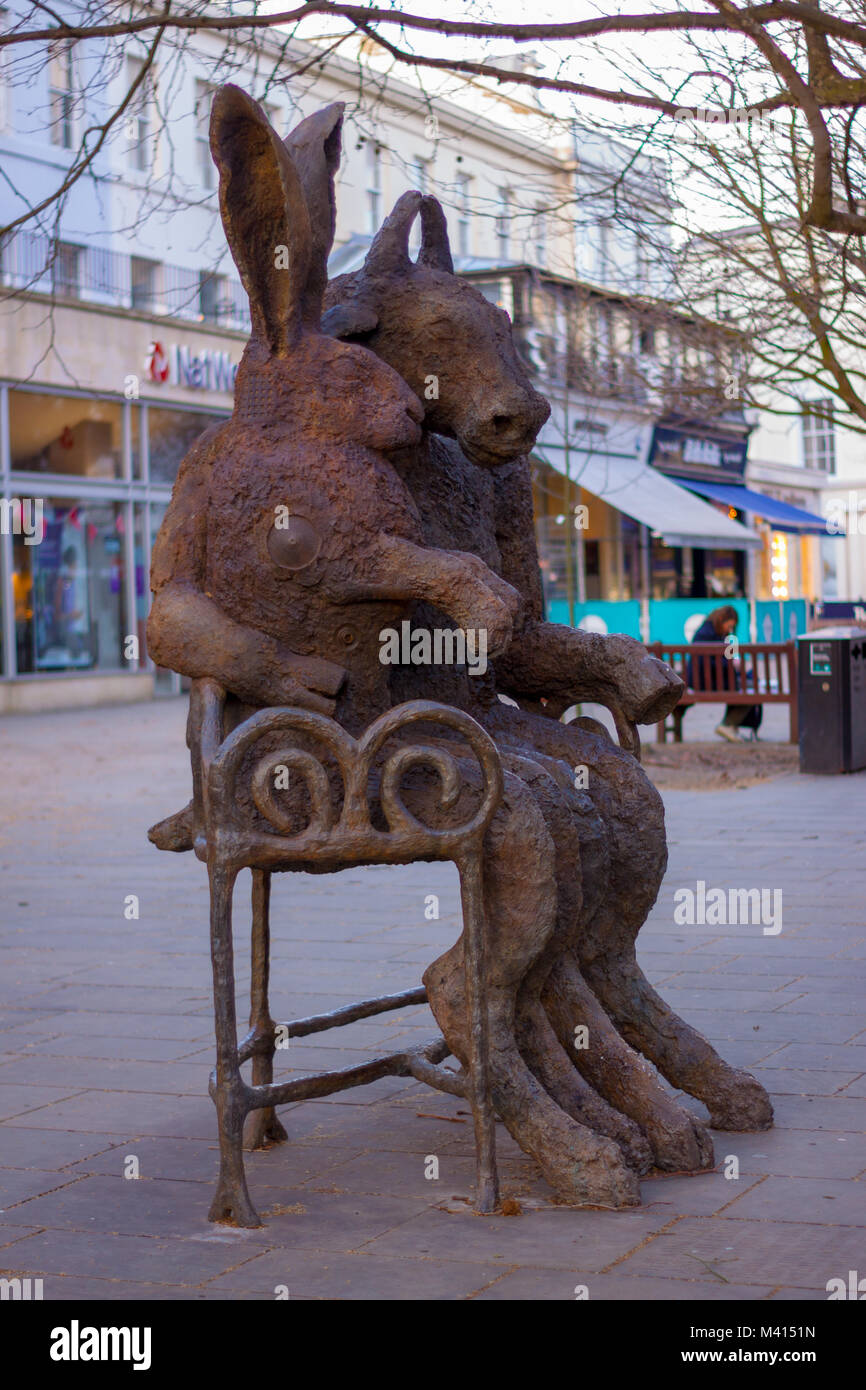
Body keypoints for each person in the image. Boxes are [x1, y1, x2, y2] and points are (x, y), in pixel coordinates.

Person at [689, 604, 760, 743]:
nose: (730, 629)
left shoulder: (707, 632)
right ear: (723, 621)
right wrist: (732, 664)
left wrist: (733, 663)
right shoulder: (710, 634)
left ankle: (730, 726)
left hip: (703, 680)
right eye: (729, 626)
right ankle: (728, 724)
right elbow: (715, 662)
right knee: (749, 689)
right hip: (707, 681)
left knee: (745, 685)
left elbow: (730, 657)